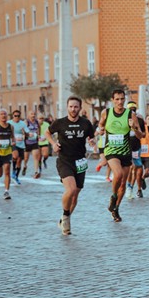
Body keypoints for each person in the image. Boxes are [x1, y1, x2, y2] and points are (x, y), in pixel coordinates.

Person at [46, 96, 95, 235]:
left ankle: (64, 218)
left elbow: (91, 138)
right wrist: (53, 144)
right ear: (67, 107)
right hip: (64, 160)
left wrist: (92, 142)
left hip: (80, 161)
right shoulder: (60, 123)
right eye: (71, 106)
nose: (73, 109)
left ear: (80, 108)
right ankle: (66, 215)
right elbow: (47, 132)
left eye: (76, 107)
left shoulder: (86, 123)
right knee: (71, 189)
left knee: (76, 194)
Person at [97, 89, 144, 222]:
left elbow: (141, 135)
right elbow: (100, 125)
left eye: (122, 99)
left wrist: (134, 127)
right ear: (113, 100)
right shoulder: (106, 112)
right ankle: (113, 196)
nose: (120, 102)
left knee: (123, 184)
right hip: (111, 150)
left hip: (125, 151)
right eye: (117, 99)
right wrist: (100, 129)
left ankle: (116, 208)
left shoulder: (130, 114)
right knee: (117, 174)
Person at [124, 102, 146, 200]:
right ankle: (130, 187)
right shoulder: (123, 119)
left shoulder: (140, 120)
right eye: (131, 110)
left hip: (136, 146)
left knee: (137, 167)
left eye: (134, 109)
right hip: (126, 145)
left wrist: (135, 128)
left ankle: (138, 184)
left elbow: (142, 134)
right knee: (131, 167)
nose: (133, 111)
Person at [137, 114, 149, 198]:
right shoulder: (135, 129)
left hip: (147, 153)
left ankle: (143, 178)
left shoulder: (148, 128)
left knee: (148, 172)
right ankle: (139, 190)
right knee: (138, 172)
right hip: (138, 153)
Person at [8, 110, 29, 185]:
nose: (16, 117)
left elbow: (27, 133)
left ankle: (16, 176)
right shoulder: (9, 123)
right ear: (13, 116)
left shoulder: (23, 124)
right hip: (13, 143)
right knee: (15, 156)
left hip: (21, 144)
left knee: (19, 161)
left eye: (18, 116)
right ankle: (13, 171)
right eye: (15, 116)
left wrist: (24, 133)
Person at [23, 110, 42, 178]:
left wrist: (38, 135)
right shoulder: (26, 122)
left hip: (34, 142)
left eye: (34, 114)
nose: (33, 115)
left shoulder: (37, 122)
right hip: (27, 142)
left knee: (36, 157)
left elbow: (39, 129)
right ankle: (25, 165)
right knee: (26, 158)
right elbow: (23, 130)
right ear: (28, 115)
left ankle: (36, 171)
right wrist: (27, 134)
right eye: (31, 114)